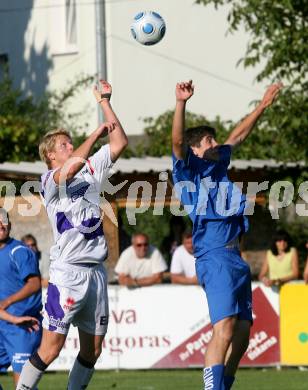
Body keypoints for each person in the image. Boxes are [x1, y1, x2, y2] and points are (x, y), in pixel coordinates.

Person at [16, 80, 128, 390]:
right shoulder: (51, 179)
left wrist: (105, 101)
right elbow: (70, 169)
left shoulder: (90, 170)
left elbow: (119, 144)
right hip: (68, 273)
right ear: (51, 156)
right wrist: (94, 134)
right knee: (51, 348)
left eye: (71, 142)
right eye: (64, 145)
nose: (70, 146)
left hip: (96, 272)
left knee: (93, 350)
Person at [171, 80, 282, 390]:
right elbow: (177, 140)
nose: (215, 142)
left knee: (243, 333)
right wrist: (181, 103)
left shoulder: (219, 163)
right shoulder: (187, 169)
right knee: (224, 328)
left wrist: (262, 105)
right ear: (195, 149)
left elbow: (239, 135)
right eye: (208, 139)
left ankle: (222, 387)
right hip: (215, 255)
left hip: (235, 257)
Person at [0, 208, 42, 388]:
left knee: (23, 384)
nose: (1, 224)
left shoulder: (19, 251)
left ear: (10, 225)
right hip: (3, 323)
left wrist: (7, 302)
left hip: (23, 327)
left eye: (3, 220)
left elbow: (34, 284)